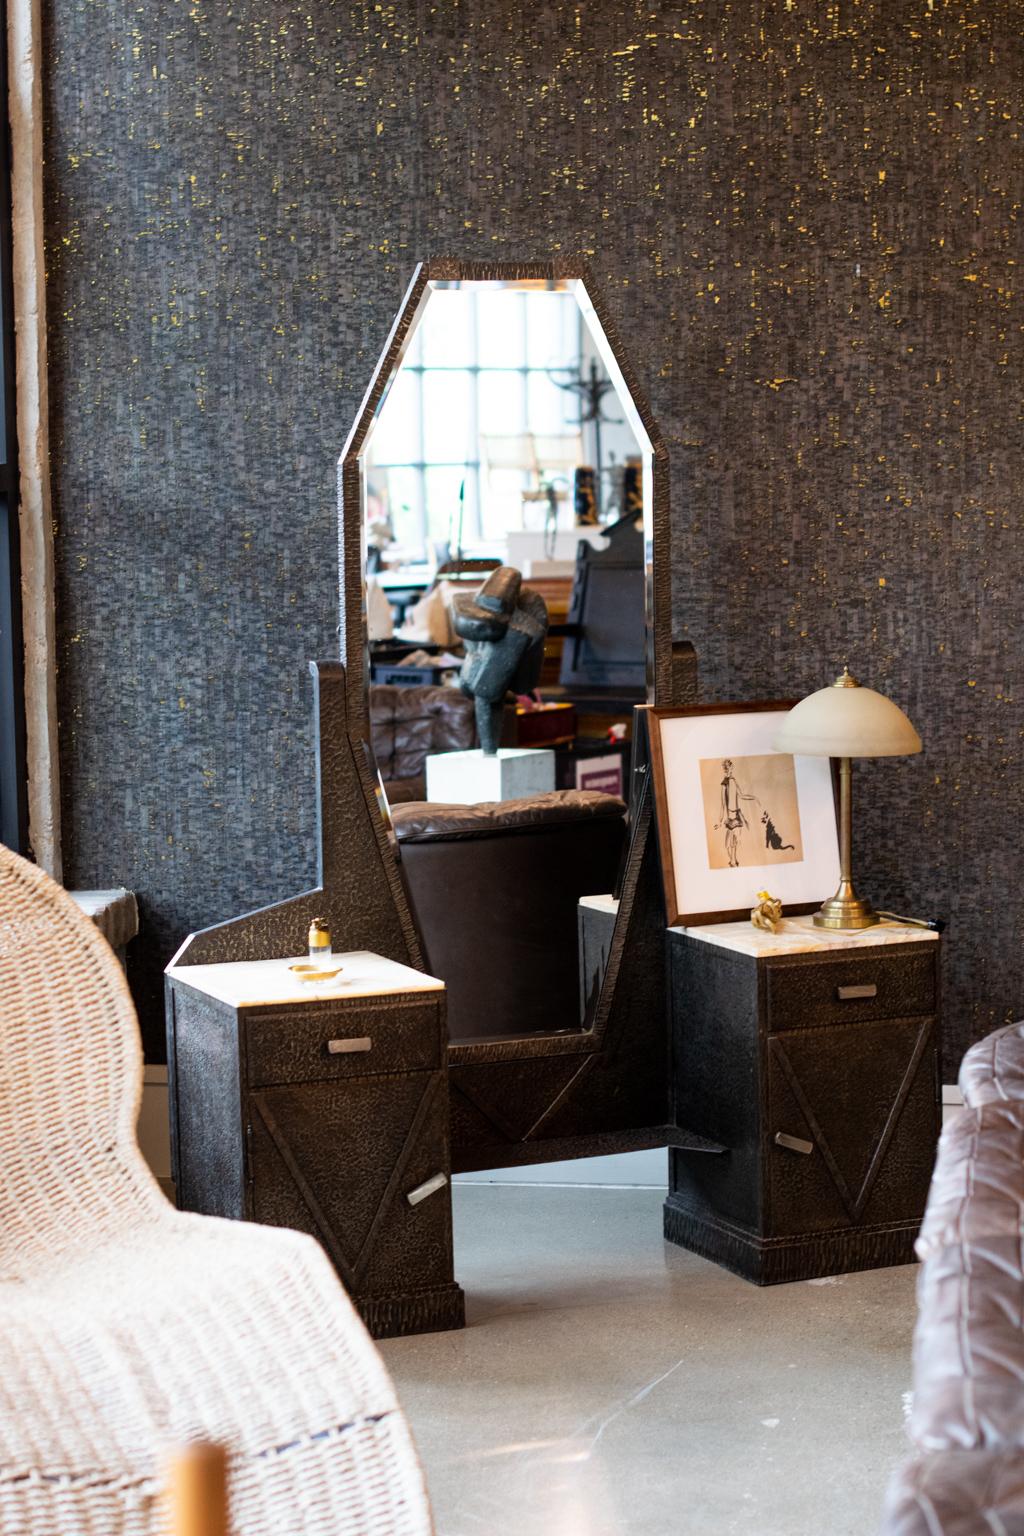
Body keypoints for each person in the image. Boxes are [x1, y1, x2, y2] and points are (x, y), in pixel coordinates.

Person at [713, 759, 760, 868]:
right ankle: (733, 863)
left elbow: (741, 795)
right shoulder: (724, 784)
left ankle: (734, 863)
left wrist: (753, 797)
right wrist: (719, 822)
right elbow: (723, 804)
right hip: (730, 819)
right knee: (729, 845)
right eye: (727, 769)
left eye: (730, 768)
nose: (729, 770)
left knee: (733, 844)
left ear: (731, 768)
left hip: (737, 818)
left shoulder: (733, 780)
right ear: (725, 770)